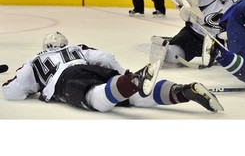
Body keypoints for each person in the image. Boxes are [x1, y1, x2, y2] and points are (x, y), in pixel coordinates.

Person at [2, 31, 223, 113]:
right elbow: (106, 58)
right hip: (92, 68)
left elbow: (12, 91)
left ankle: (131, 82)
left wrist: (34, 89)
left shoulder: (35, 60)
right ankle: (183, 91)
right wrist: (121, 74)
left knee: (94, 98)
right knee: (134, 97)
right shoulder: (76, 48)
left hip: (66, 79)